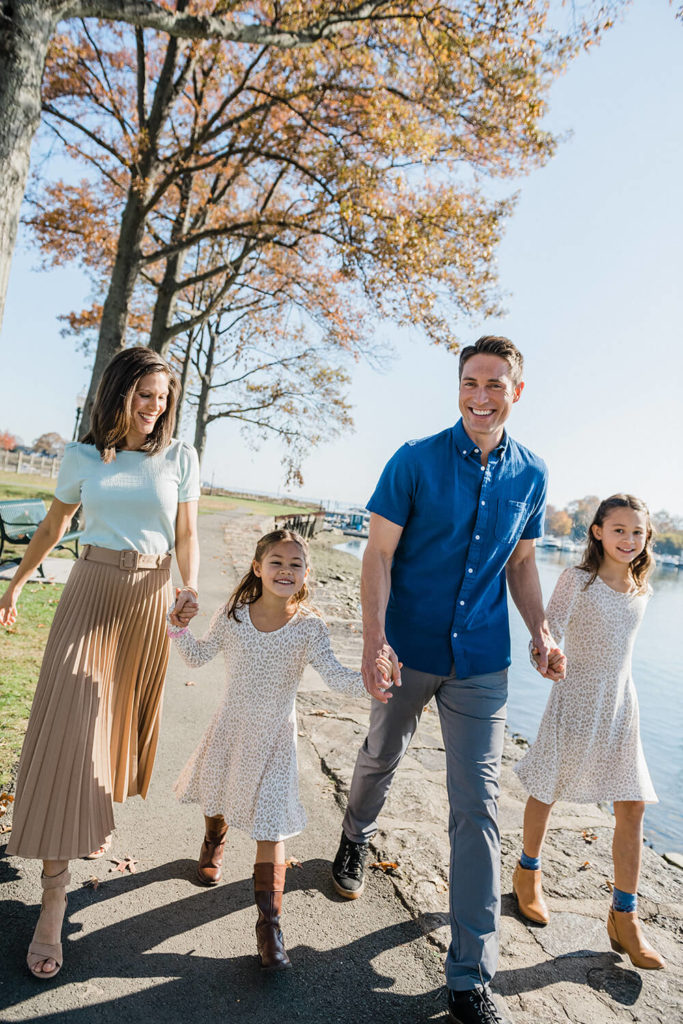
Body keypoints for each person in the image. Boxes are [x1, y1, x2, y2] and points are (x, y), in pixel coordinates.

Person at [331, 335, 565, 1024]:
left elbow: (521, 564)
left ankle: (468, 977)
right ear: (457, 386)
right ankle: (355, 832)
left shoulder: (532, 474)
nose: (481, 396)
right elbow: (376, 556)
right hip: (406, 649)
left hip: (481, 660)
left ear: (516, 391)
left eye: (495, 384)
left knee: (478, 807)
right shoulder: (414, 461)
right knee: (381, 753)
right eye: (470, 382)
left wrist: (541, 631)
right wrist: (375, 643)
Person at [0, 347, 201, 980]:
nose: (155, 407)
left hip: (148, 598)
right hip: (88, 593)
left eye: (163, 396)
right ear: (117, 394)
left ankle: (92, 817)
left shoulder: (180, 457)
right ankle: (53, 899)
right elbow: (57, 523)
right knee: (73, 725)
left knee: (113, 722)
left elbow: (187, 533)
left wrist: (188, 586)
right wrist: (17, 581)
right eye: (144, 394)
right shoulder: (83, 456)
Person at [167, 528, 393, 970]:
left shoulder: (309, 627)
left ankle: (269, 925)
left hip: (275, 741)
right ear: (258, 568)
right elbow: (197, 657)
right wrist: (178, 628)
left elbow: (336, 677)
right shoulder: (234, 615)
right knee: (216, 796)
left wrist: (372, 681)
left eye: (295, 564)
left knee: (272, 826)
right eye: (277, 562)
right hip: (231, 729)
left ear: (306, 573)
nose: (285, 570)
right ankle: (214, 838)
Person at [513, 494, 665, 970]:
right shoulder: (578, 580)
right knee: (547, 787)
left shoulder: (642, 587)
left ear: (646, 540)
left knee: (633, 803)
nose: (628, 539)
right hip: (576, 698)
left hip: (622, 704)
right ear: (597, 531)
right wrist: (548, 656)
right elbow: (548, 629)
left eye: (637, 532)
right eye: (618, 529)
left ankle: (624, 914)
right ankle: (527, 872)